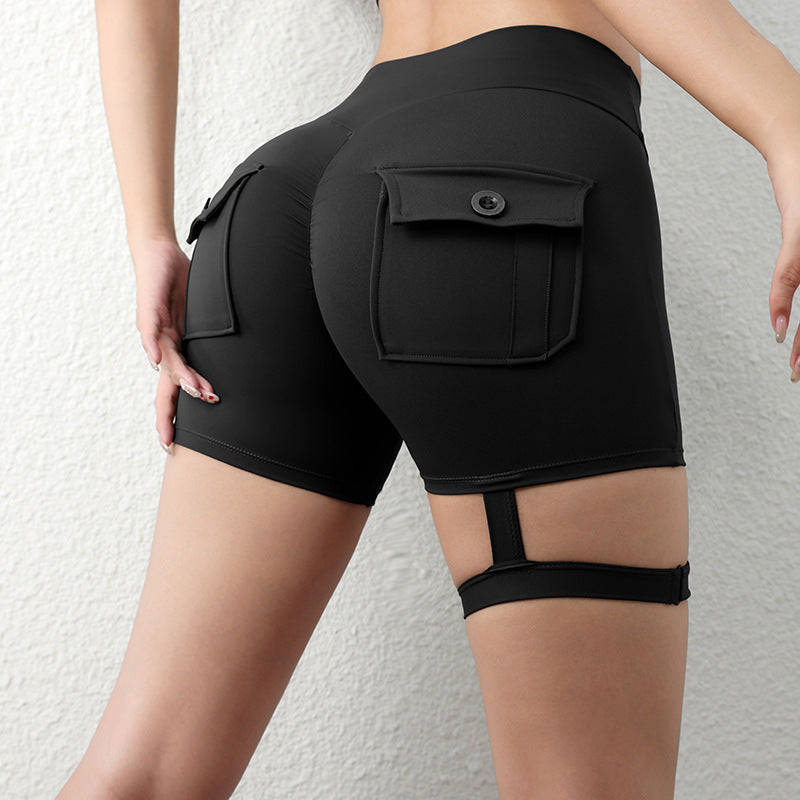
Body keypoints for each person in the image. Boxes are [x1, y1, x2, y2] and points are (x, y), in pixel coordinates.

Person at [59, 1, 800, 798]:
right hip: (507, 174)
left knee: (143, 775)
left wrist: (150, 236)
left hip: (274, 204)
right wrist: (787, 123)